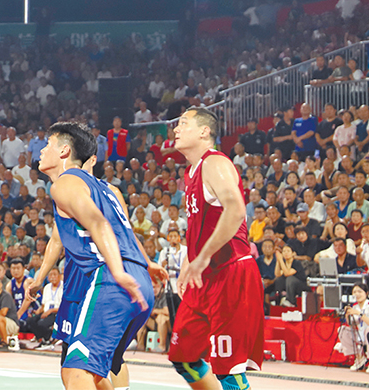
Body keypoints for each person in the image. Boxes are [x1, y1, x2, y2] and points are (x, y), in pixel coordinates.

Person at [33, 122, 153, 390]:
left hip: (107, 277)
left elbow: (100, 224)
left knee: (77, 371)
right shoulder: (107, 191)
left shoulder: (66, 183)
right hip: (135, 275)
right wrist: (148, 264)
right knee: (92, 369)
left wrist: (117, 272)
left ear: (65, 151)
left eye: (48, 144)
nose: (41, 150)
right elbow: (124, 231)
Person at [168, 107, 264, 390]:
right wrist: (188, 265)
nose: (176, 129)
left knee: (228, 370)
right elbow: (198, 226)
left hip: (229, 271)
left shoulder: (215, 162)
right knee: (183, 358)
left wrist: (202, 257)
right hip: (203, 276)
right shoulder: (191, 173)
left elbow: (236, 210)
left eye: (183, 123)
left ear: (204, 131)